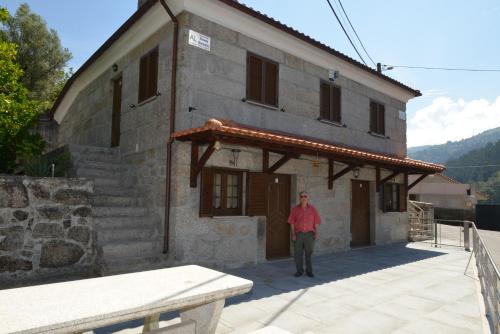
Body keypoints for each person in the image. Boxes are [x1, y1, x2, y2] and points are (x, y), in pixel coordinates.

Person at [287, 191, 321, 277]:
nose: (303, 198)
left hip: (309, 234)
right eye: (302, 196)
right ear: (299, 198)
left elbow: (316, 222)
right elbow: (291, 223)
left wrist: (316, 233)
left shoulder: (312, 209)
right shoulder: (295, 209)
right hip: (298, 234)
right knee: (298, 254)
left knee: (309, 253)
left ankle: (309, 271)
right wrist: (293, 234)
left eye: (305, 196)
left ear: (307, 198)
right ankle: (299, 271)